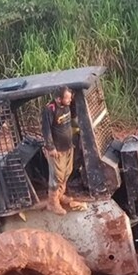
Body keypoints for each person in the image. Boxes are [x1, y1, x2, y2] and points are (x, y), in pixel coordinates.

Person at [41, 87, 87, 215]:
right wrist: (50, 147)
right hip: (57, 150)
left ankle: (60, 195)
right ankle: (52, 203)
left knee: (67, 172)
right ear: (58, 99)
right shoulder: (50, 110)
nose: (70, 99)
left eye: (70, 97)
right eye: (67, 98)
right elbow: (46, 130)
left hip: (67, 147)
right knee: (57, 176)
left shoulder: (67, 106)